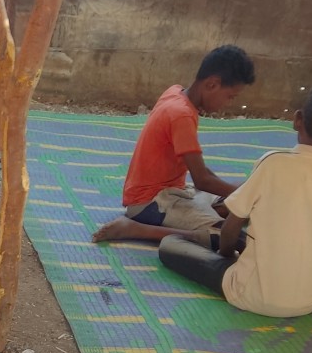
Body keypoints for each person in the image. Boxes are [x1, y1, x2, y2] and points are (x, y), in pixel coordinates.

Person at [157, 80, 312, 317]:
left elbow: (231, 227)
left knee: (170, 245)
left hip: (252, 295)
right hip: (311, 301)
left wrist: (225, 257)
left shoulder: (274, 163)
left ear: (298, 120)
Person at [92, 45, 256, 245]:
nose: (229, 103)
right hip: (150, 203)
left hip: (173, 191)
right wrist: (245, 198)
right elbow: (202, 180)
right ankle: (137, 229)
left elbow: (201, 170)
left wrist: (243, 195)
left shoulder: (176, 93)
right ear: (212, 84)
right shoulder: (182, 114)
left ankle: (200, 215)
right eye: (230, 96)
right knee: (230, 238)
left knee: (244, 200)